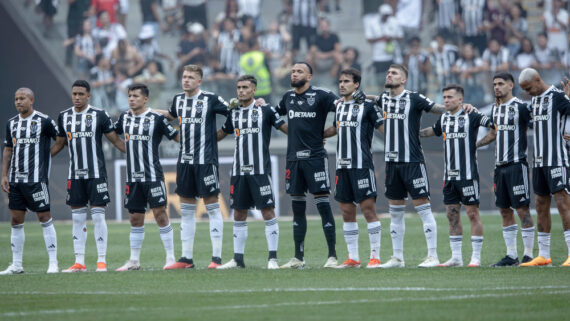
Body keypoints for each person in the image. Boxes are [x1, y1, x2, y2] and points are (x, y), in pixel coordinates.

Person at [367, 64, 475, 268]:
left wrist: (462, 106)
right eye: (388, 72)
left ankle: (432, 256)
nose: (389, 75)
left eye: (394, 73)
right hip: (392, 163)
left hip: (413, 162)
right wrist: (362, 96)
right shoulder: (384, 98)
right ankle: (397, 258)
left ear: (403, 79)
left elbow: (438, 108)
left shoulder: (414, 98)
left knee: (423, 210)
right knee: (395, 212)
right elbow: (374, 98)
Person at [51, 80, 126, 272]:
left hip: (96, 174)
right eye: (74, 93)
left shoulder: (99, 115)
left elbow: (115, 140)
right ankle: (79, 262)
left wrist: (133, 154)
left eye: (81, 94)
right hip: (75, 175)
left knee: (98, 217)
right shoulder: (64, 116)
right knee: (77, 218)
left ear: (88, 96)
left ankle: (101, 260)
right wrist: (41, 157)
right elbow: (59, 143)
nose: (77, 97)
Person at [160, 65, 230, 269]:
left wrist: (219, 135)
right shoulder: (178, 99)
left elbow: (232, 114)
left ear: (200, 81)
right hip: (185, 162)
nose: (186, 80)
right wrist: (148, 111)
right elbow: (171, 115)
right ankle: (186, 259)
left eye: (191, 77)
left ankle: (216, 259)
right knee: (187, 210)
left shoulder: (211, 99)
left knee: (212, 207)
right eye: (184, 76)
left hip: (205, 161)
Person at [216, 75, 288, 269]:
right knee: (239, 213)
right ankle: (238, 259)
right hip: (239, 171)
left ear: (254, 90)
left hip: (259, 171)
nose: (241, 91)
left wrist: (310, 136)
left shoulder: (265, 110)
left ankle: (272, 258)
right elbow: (222, 133)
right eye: (238, 87)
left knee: (267, 211)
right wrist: (203, 139)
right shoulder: (234, 112)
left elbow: (285, 128)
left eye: (245, 87)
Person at [419, 84, 494, 267]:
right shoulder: (444, 117)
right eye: (444, 97)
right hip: (449, 177)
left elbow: (494, 126)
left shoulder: (472, 115)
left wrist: (478, 144)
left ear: (460, 100)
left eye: (450, 97)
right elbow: (432, 131)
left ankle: (475, 257)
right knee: (452, 215)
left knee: (472, 214)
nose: (446, 100)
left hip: (468, 176)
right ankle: (456, 258)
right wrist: (414, 133)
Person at [276, 62, 339, 269]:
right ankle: (298, 258)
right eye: (293, 71)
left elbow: (343, 108)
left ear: (309, 76)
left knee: (322, 204)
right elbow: (274, 116)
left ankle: (332, 256)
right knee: (297, 208)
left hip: (315, 158)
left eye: (299, 71)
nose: (294, 74)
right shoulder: (287, 97)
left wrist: (328, 132)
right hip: (293, 159)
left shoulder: (321, 95)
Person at [114, 84, 180, 271]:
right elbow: (112, 134)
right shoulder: (124, 117)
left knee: (160, 215)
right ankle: (134, 261)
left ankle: (170, 258)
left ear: (145, 99)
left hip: (153, 176)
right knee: (135, 218)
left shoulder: (156, 119)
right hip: (133, 178)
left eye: (135, 96)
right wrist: (126, 150)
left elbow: (176, 137)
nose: (131, 99)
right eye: (129, 96)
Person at [322, 68, 384, 268]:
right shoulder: (339, 106)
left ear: (356, 84)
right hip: (342, 166)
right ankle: (353, 258)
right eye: (340, 81)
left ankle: (375, 256)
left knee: (368, 210)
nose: (341, 85)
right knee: (347, 211)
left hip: (362, 165)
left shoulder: (367, 106)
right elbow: (335, 127)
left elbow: (383, 128)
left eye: (346, 81)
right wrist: (319, 135)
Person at [476, 73, 535, 266]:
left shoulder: (521, 107)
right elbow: (493, 133)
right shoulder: (496, 109)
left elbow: (540, 125)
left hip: (517, 165)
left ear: (511, 85)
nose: (496, 87)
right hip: (499, 167)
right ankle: (511, 256)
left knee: (522, 210)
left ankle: (528, 255)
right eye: (494, 84)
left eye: (500, 84)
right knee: (504, 210)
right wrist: (474, 145)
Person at [0, 88, 59, 275]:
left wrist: (46, 157)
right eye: (16, 98)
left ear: (31, 100)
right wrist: (4, 175)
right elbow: (8, 149)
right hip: (16, 180)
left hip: (36, 180)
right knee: (16, 220)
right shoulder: (11, 124)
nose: (18, 102)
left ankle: (53, 263)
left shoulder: (44, 120)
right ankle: (17, 265)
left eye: (22, 98)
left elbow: (60, 139)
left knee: (44, 218)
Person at [518, 68, 570, 267]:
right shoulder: (535, 101)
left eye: (529, 88)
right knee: (540, 204)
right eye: (524, 90)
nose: (527, 92)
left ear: (538, 80)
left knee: (563, 203)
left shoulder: (557, 96)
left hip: (556, 159)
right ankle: (544, 256)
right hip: (538, 162)